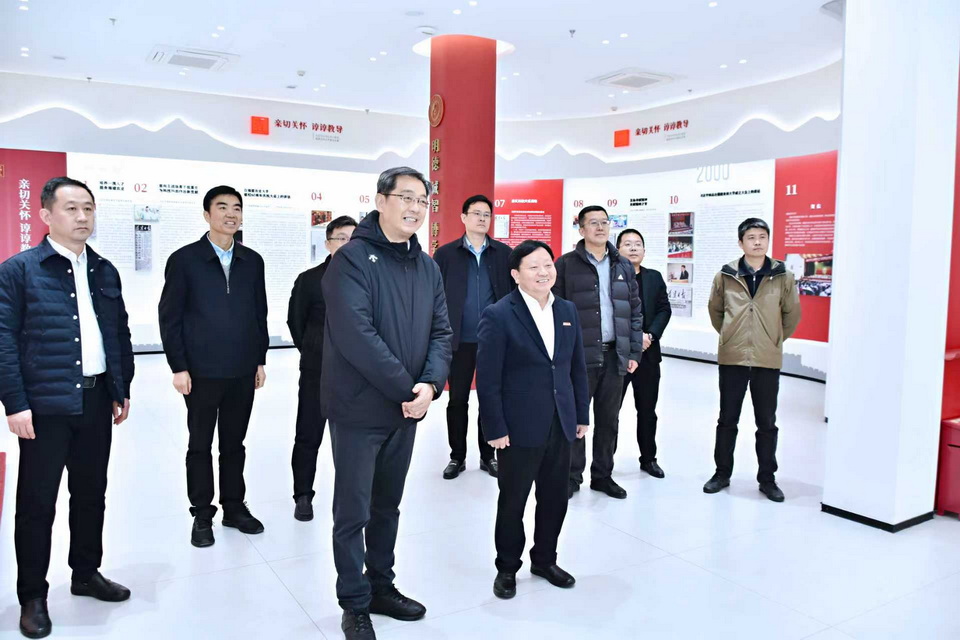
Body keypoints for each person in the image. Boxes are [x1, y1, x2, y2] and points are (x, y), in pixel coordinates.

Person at [321, 167, 452, 640]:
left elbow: (442, 331)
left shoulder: (427, 266)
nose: (416, 208)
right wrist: (408, 390)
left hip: (408, 409)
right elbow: (356, 335)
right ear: (380, 201)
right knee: (352, 512)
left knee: (387, 506)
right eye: (406, 198)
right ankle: (354, 603)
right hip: (360, 409)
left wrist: (430, 385)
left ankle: (381, 586)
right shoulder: (352, 259)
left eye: (423, 201)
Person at [0, 177, 134, 639]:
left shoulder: (104, 270)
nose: (82, 217)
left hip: (96, 400)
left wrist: (121, 387)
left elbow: (118, 333)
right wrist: (15, 403)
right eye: (72, 208)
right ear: (46, 215)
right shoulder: (19, 270)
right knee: (37, 503)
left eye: (88, 209)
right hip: (45, 406)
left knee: (91, 493)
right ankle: (32, 596)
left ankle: (86, 572)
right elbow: (3, 340)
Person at [477, 240, 589, 600]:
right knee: (513, 501)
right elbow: (488, 379)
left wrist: (581, 414)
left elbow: (576, 368)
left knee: (555, 497)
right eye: (534, 267)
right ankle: (507, 567)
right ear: (516, 274)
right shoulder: (499, 314)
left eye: (548, 265)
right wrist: (495, 428)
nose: (544, 272)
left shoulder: (567, 309)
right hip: (518, 427)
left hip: (561, 421)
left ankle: (545, 559)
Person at [158, 185, 269, 547]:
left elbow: (260, 313)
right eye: (222, 207)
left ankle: (234, 507)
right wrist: (179, 366)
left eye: (236, 208)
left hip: (242, 369)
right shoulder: (185, 260)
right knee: (200, 444)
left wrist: (259, 359)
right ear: (207, 214)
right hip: (200, 371)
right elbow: (170, 317)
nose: (230, 214)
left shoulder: (252, 261)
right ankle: (202, 513)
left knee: (234, 443)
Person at [704, 217, 801, 502]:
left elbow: (791, 314)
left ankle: (767, 479)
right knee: (727, 419)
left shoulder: (783, 275)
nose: (757, 242)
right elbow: (716, 311)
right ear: (741, 243)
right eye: (751, 237)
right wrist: (730, 335)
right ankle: (721, 474)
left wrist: (773, 339)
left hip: (766, 358)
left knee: (766, 422)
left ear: (768, 240)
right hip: (732, 357)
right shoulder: (726, 275)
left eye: (762, 237)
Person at [553, 205, 643, 500]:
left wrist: (633, 352)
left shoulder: (623, 265)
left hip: (615, 355)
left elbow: (634, 311)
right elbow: (556, 311)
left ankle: (603, 476)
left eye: (605, 222)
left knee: (609, 420)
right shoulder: (566, 264)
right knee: (576, 419)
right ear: (581, 229)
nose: (601, 227)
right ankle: (571, 476)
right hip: (579, 356)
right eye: (593, 223)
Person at [433, 194, 513, 480]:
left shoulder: (504, 254)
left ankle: (488, 455)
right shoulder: (446, 255)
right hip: (459, 340)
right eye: (476, 213)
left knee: (491, 398)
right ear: (463, 217)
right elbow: (435, 296)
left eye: (486, 214)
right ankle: (457, 456)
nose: (482, 218)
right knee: (457, 399)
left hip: (494, 340)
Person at [286, 215, 357, 521]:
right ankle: (303, 495)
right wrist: (314, 349)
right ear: (328, 243)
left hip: (356, 374)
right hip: (317, 371)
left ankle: (353, 496)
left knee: (353, 440)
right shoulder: (309, 279)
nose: (347, 244)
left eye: (354, 239)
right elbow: (296, 322)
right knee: (308, 434)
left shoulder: (368, 279)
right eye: (341, 238)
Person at [617, 229, 672, 478]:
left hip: (648, 355)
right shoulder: (611, 278)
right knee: (610, 413)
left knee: (648, 411)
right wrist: (633, 338)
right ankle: (604, 464)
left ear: (644, 250)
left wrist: (650, 335)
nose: (633, 248)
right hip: (618, 355)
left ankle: (649, 459)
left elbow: (664, 309)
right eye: (627, 244)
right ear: (617, 250)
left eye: (638, 244)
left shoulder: (654, 277)